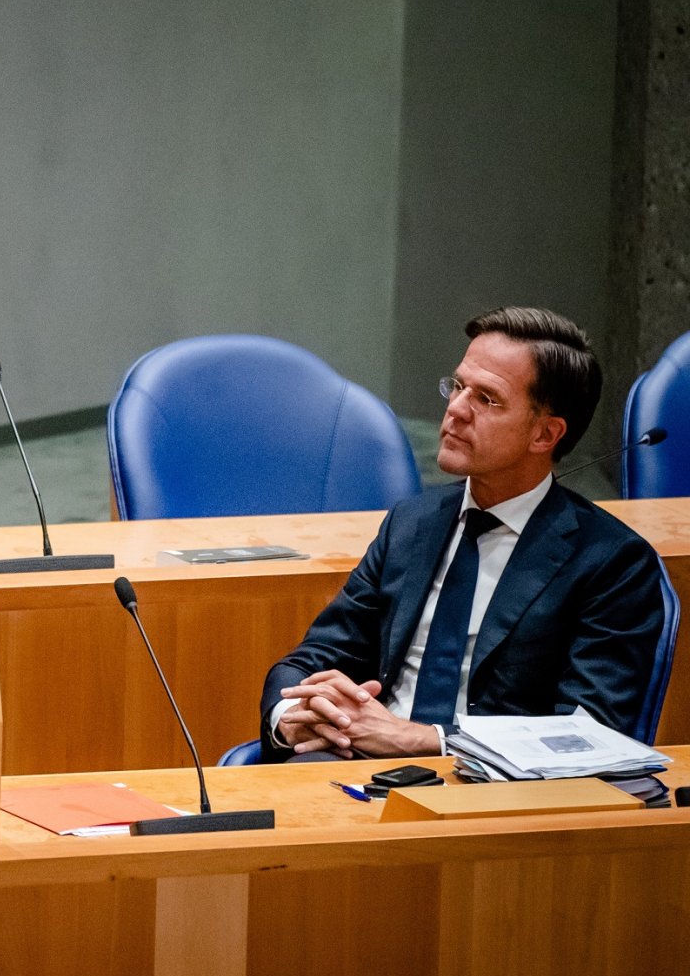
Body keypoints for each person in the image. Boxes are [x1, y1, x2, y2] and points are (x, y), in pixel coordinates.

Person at [261, 306, 664, 760]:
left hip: (496, 794)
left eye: (486, 399)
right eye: (457, 387)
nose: (455, 410)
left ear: (545, 434)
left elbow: (587, 732)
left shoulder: (612, 562)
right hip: (360, 766)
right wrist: (292, 718)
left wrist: (425, 740)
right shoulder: (412, 523)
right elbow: (313, 658)